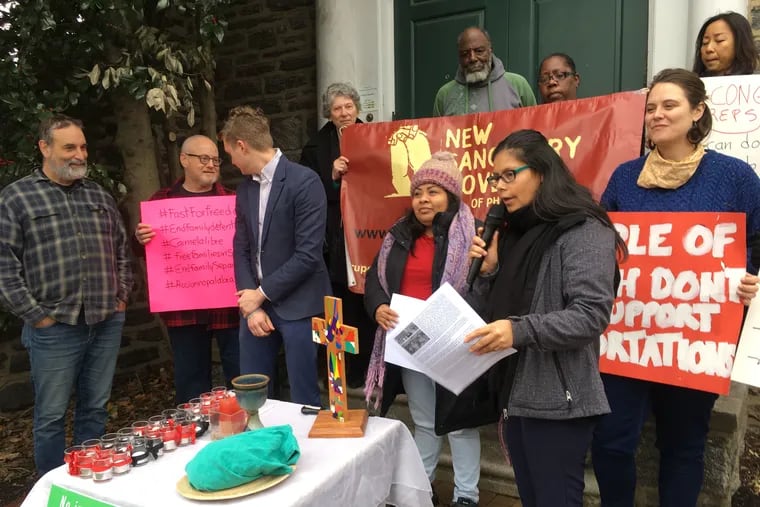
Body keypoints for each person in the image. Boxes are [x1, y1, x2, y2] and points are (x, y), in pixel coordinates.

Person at [591, 68, 760, 507]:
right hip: (627, 338)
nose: (657, 115)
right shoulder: (625, 178)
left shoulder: (734, 177)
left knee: (684, 445)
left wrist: (750, 277)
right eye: (651, 108)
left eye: (670, 106)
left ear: (697, 111)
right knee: (610, 441)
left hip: (694, 339)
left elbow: (756, 239)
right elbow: (600, 240)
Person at [465, 129, 625, 507]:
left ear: (541, 171)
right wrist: (489, 272)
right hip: (516, 391)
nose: (499, 187)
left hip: (560, 400)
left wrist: (518, 331)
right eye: (495, 178)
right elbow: (505, 310)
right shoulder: (517, 233)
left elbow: (590, 316)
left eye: (509, 175)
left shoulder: (584, 229)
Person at [0, 115, 133, 475]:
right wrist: (36, 315)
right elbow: (4, 266)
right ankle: (52, 489)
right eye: (69, 147)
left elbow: (121, 250)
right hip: (53, 326)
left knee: (95, 407)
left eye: (83, 146)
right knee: (51, 416)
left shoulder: (99, 195)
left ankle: (89, 480)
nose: (79, 154)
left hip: (105, 321)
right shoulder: (16, 198)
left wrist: (120, 297)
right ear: (44, 147)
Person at [364, 152, 486, 507]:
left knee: (460, 423)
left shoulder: (475, 235)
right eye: (418, 192)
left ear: (450, 196)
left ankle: (467, 495)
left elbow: (486, 287)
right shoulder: (398, 235)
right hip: (411, 343)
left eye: (433, 191)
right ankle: (422, 488)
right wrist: (378, 307)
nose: (423, 200)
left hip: (455, 343)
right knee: (423, 419)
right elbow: (376, 277)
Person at [222, 105, 330, 407]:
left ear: (242, 146)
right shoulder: (245, 190)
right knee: (252, 396)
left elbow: (308, 255)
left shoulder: (305, 181)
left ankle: (304, 454)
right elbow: (240, 247)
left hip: (300, 306)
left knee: (303, 399)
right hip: (255, 308)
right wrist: (251, 304)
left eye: (230, 152)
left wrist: (260, 294)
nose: (230, 161)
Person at [134, 135, 240, 405]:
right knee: (191, 382)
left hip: (229, 305)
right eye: (203, 158)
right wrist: (140, 240)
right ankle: (197, 436)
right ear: (184, 159)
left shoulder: (232, 200)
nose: (211, 165)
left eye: (215, 159)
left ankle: (244, 431)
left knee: (240, 375)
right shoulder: (161, 201)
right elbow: (148, 254)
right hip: (183, 309)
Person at [300, 82, 374, 388]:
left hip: (369, 234)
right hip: (334, 242)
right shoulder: (315, 148)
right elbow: (307, 196)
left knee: (368, 300)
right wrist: (331, 177)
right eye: (337, 109)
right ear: (328, 114)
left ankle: (372, 371)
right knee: (339, 303)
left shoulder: (376, 137)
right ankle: (341, 376)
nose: (344, 113)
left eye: (349, 107)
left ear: (358, 108)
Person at [433, 26, 536, 116]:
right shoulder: (444, 95)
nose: (472, 58)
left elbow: (536, 126)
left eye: (479, 51)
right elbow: (439, 136)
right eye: (465, 54)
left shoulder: (518, 84)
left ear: (490, 50)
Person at [693, 11, 759, 77]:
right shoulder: (690, 84)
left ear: (740, 43)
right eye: (705, 43)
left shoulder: (755, 83)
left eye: (719, 40)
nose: (709, 48)